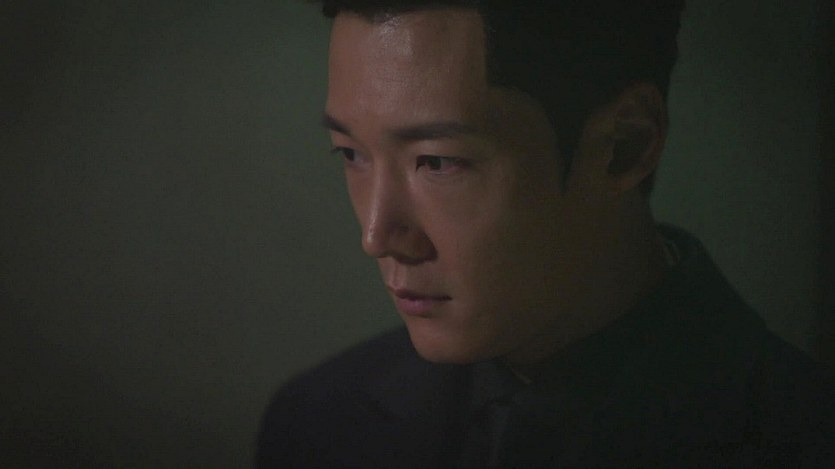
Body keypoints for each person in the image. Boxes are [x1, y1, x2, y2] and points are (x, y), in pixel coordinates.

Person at [257, 1, 834, 467]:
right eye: (350, 153)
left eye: (437, 161)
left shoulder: (798, 439)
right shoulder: (317, 424)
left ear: (624, 144)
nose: (377, 236)